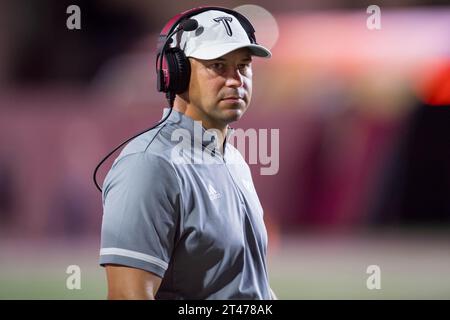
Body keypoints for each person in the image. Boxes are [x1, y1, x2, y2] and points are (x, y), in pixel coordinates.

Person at [99, 6, 276, 300]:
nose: (236, 80)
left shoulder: (232, 159)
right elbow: (127, 296)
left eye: (243, 66)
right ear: (175, 73)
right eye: (218, 66)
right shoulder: (150, 165)